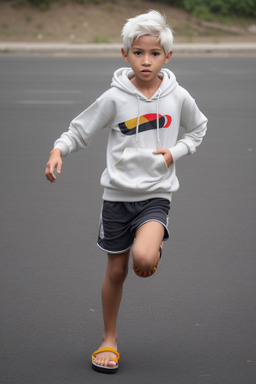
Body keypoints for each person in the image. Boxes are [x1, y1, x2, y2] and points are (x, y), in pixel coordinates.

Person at [45, 10, 207, 374]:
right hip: (117, 198)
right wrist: (58, 149)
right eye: (138, 53)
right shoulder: (114, 98)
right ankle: (109, 338)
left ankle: (152, 244)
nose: (145, 61)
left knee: (144, 260)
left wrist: (175, 152)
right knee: (117, 272)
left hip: (155, 194)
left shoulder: (178, 96)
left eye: (154, 53)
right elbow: (79, 130)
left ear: (167, 56)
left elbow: (198, 129)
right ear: (124, 55)